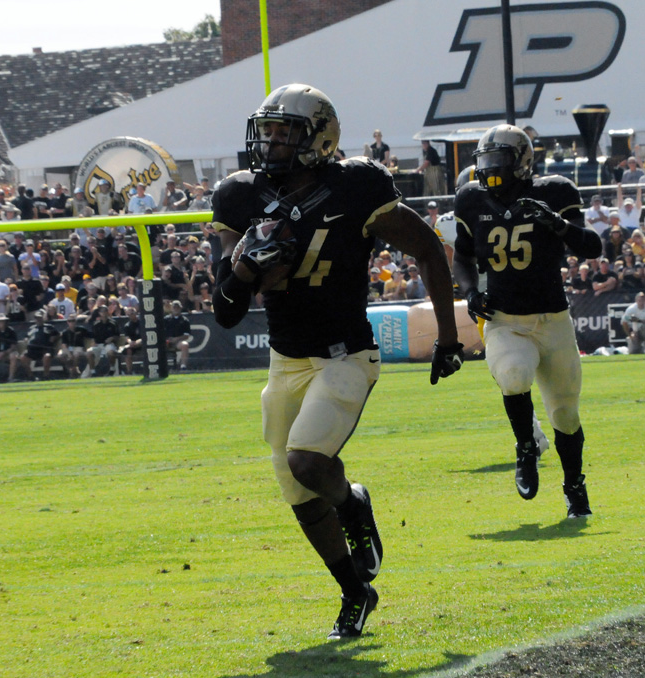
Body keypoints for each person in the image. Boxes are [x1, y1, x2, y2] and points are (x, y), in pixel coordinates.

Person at [210, 84, 463, 640]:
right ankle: (355, 592)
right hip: (286, 361)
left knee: (306, 462)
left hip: (346, 354)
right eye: (267, 130)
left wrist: (447, 336)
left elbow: (425, 248)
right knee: (297, 490)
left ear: (320, 138)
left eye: (286, 132)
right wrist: (246, 268)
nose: (272, 142)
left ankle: (351, 505)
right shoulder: (238, 195)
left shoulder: (357, 185)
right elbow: (225, 310)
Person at [452, 124, 602, 519]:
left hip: (552, 319)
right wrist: (470, 293)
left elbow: (593, 247)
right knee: (514, 375)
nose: (490, 170)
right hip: (505, 319)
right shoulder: (470, 199)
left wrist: (558, 224)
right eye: (484, 162)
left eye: (499, 161)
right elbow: (462, 258)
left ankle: (575, 488)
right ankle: (526, 446)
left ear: (522, 162)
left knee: (565, 415)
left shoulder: (554, 192)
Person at [164, 299, 192, 369]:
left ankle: (183, 366)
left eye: (177, 307)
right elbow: (160, 332)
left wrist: (176, 339)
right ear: (171, 308)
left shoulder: (185, 320)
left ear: (180, 308)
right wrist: (167, 340)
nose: (176, 309)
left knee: (185, 345)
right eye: (174, 307)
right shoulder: (165, 319)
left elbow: (186, 335)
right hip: (166, 342)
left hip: (177, 342)